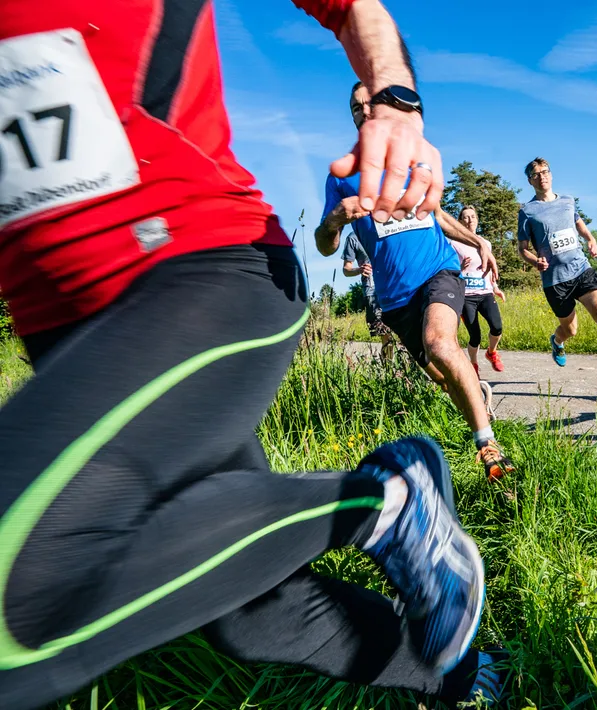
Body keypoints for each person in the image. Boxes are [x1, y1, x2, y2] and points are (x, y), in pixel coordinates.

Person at [0, 1, 505, 708]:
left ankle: (387, 502)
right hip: (70, 334)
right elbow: (329, 237)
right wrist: (339, 219)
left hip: (197, 270)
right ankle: (457, 675)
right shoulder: (340, 182)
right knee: (255, 612)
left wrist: (397, 107)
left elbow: (352, 7)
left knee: (12, 602)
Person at [317, 81, 514, 482]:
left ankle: (488, 445)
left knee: (440, 342)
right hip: (394, 298)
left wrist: (477, 240)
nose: (364, 111)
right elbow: (324, 246)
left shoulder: (410, 158)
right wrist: (335, 219)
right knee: (441, 376)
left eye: (370, 104)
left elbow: (437, 214)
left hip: (438, 270)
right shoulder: (342, 178)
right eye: (355, 107)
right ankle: (477, 396)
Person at [518, 158, 597, 387]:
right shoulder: (527, 211)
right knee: (571, 329)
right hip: (555, 280)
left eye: (545, 172)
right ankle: (557, 341)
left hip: (581, 269)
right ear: (530, 180)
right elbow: (522, 249)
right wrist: (535, 261)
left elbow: (578, 223)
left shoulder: (567, 201)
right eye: (536, 174)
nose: (542, 176)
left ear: (551, 174)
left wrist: (590, 239)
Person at [450, 205, 507, 376]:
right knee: (475, 336)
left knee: (497, 327)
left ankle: (491, 352)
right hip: (466, 296)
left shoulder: (485, 243)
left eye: (473, 217)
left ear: (477, 220)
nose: (470, 220)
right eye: (466, 217)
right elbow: (448, 269)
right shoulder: (453, 243)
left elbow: (488, 269)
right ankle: (473, 364)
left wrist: (495, 288)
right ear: (460, 221)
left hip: (485, 293)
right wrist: (459, 268)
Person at [341, 232, 396, 363]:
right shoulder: (353, 238)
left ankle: (408, 368)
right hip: (372, 291)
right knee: (385, 334)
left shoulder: (385, 229)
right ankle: (389, 370)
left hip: (393, 286)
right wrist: (359, 270)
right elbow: (346, 270)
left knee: (406, 332)